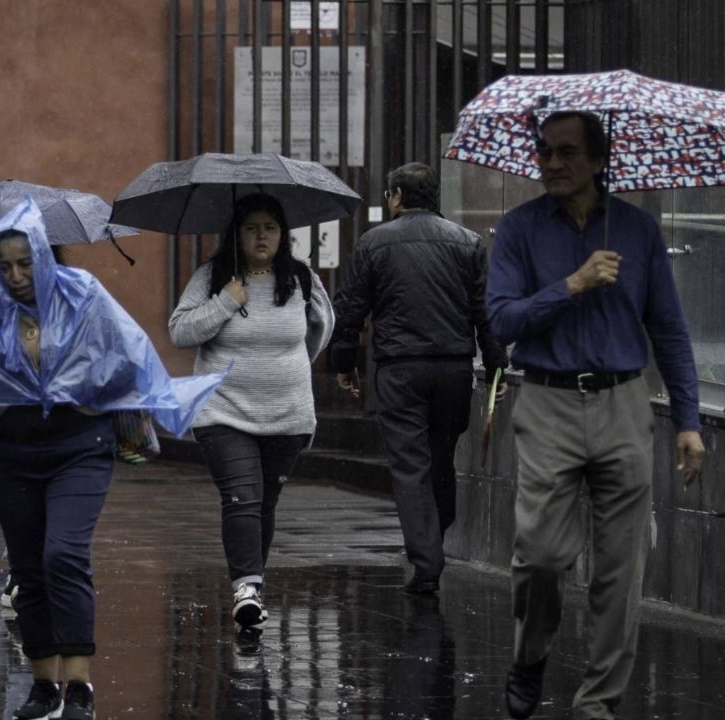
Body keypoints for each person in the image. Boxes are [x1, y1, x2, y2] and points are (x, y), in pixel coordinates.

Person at [0, 197, 222, 720]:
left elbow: (129, 355)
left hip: (78, 447)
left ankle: (80, 687)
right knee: (27, 567)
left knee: (62, 555)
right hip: (9, 452)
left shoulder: (82, 295)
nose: (16, 275)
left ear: (43, 255)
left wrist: (93, 388)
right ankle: (43, 688)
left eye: (25, 262)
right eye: (6, 265)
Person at [486, 111, 705, 720]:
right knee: (541, 557)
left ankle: (598, 704)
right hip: (549, 401)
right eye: (545, 152)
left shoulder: (635, 230)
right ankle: (529, 656)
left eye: (567, 153)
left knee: (621, 570)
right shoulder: (519, 229)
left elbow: (670, 328)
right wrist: (572, 285)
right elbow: (500, 320)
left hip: (624, 403)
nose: (552, 164)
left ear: (599, 160)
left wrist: (688, 419)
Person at [330, 162, 509, 595]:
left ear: (395, 196)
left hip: (400, 369)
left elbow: (352, 309)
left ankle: (427, 561)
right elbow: (485, 313)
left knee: (411, 465)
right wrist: (497, 365)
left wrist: (344, 362)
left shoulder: (374, 244)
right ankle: (434, 538)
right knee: (441, 456)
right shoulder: (467, 243)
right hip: (453, 369)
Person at [168, 192, 334, 633]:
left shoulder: (301, 279)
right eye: (252, 228)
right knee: (243, 495)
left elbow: (320, 330)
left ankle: (251, 586)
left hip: (287, 414)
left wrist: (290, 369)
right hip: (224, 412)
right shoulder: (213, 276)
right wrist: (224, 302)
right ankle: (247, 588)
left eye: (271, 228)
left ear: (282, 234)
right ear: (236, 234)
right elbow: (180, 332)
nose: (262, 236)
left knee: (265, 503)